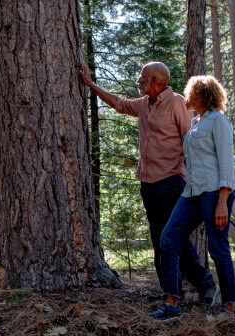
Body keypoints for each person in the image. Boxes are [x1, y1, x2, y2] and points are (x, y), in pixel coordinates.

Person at [80, 62, 217, 302]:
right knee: (158, 238)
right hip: (148, 183)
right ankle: (171, 292)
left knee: (173, 237)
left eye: (142, 77)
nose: (138, 80)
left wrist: (199, 180)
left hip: (172, 181)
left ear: (155, 81)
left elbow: (191, 141)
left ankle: (204, 285)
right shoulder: (144, 104)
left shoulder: (177, 103)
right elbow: (119, 104)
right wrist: (92, 85)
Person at [148, 75, 235, 321]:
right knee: (168, 239)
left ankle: (229, 305)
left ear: (201, 94)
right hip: (191, 192)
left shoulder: (218, 121)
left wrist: (223, 201)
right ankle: (171, 304)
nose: (186, 96)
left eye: (190, 92)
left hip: (214, 192)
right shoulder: (196, 123)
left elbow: (227, 163)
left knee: (218, 248)